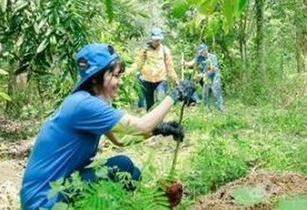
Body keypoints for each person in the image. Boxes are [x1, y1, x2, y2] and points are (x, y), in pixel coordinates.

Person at [20, 43, 191, 209]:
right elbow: (141, 126)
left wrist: (158, 129)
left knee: (133, 174)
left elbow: (120, 140)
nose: (120, 82)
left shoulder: (88, 103)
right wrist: (176, 95)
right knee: (122, 166)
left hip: (57, 191)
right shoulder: (84, 105)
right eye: (115, 76)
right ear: (96, 78)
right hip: (44, 200)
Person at [130, 28, 179, 111]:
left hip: (161, 79)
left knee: (160, 99)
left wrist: (175, 79)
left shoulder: (165, 50)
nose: (158, 42)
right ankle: (151, 120)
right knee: (149, 104)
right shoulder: (145, 50)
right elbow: (138, 63)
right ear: (151, 39)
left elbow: (170, 66)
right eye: (156, 40)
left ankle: (160, 119)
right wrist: (129, 71)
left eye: (159, 40)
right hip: (147, 79)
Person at [185, 43, 224, 112]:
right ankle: (208, 110)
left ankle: (221, 110)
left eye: (203, 51)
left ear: (206, 50)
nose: (202, 53)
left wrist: (202, 75)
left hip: (215, 77)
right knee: (205, 95)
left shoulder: (212, 57)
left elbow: (213, 69)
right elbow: (192, 63)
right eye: (200, 52)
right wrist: (184, 63)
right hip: (207, 78)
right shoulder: (200, 57)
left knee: (216, 93)